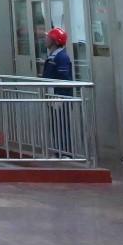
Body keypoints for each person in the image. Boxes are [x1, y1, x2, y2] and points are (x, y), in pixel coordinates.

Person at [42, 26, 75, 155]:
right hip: (53, 98)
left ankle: (65, 154)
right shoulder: (54, 56)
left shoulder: (61, 57)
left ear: (55, 41)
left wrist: (60, 98)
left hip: (59, 99)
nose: (46, 39)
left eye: (49, 37)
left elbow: (64, 79)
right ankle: (59, 152)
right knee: (56, 127)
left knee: (62, 127)